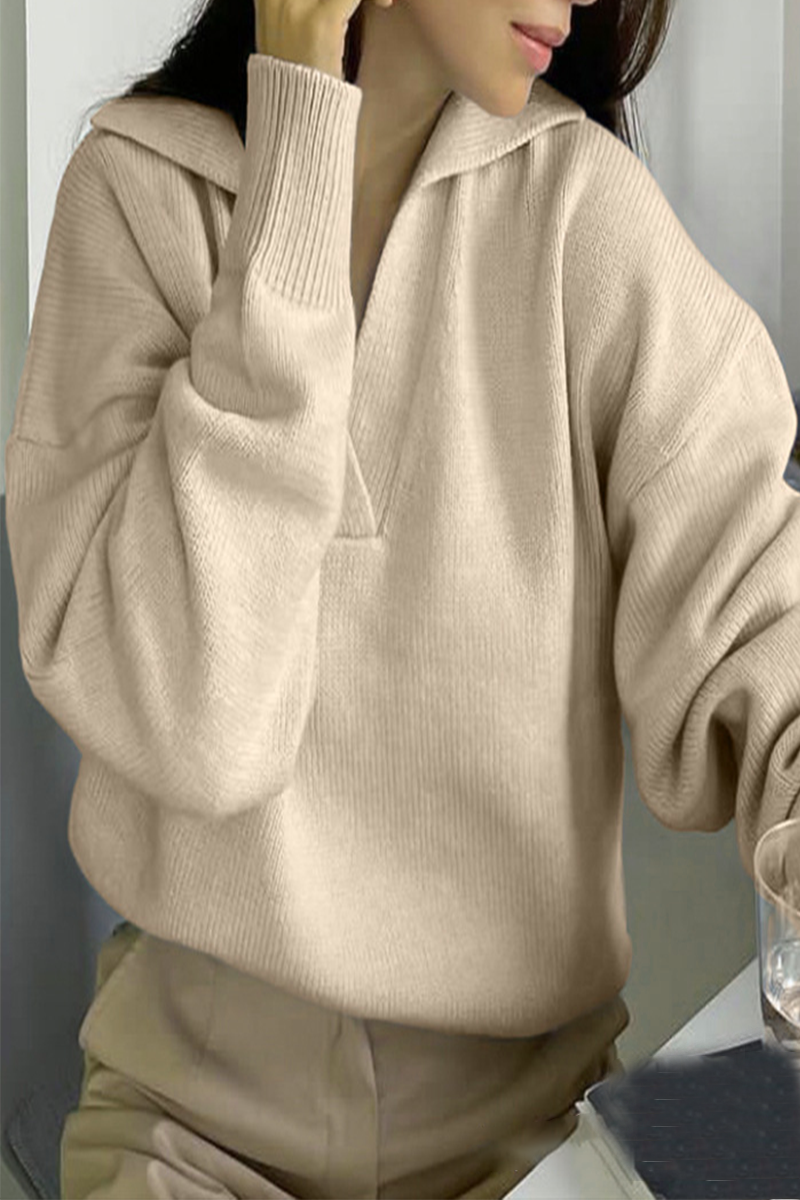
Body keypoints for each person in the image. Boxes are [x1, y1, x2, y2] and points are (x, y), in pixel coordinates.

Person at [4, 0, 799, 1193]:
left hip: (527, 1139)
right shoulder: (138, 194)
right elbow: (196, 726)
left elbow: (760, 616)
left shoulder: (581, 214)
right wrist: (297, 152)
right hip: (184, 1129)